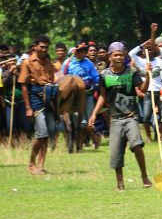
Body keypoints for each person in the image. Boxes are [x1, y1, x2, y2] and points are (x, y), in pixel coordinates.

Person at [89, 42, 151, 190]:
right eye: (115, 55)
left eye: (121, 55)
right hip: (115, 119)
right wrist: (94, 113)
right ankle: (120, 184)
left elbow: (142, 89)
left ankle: (144, 176)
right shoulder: (104, 75)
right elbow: (103, 97)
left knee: (136, 145)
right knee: (116, 153)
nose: (118, 57)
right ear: (110, 57)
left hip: (131, 116)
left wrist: (148, 75)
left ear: (125, 56)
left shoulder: (131, 72)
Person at [18, 34, 58, 174]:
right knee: (41, 133)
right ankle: (31, 164)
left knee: (48, 133)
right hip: (34, 98)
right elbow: (23, 86)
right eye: (41, 47)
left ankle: (40, 165)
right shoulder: (27, 62)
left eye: (46, 47)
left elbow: (52, 81)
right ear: (35, 46)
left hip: (48, 98)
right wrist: (28, 108)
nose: (44, 49)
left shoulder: (48, 62)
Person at [61, 42, 102, 148]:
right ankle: (78, 143)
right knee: (76, 121)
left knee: (87, 122)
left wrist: (95, 85)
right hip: (73, 96)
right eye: (81, 52)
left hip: (87, 94)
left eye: (85, 52)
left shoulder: (88, 63)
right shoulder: (68, 63)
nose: (83, 54)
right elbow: (62, 78)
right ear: (75, 52)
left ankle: (95, 138)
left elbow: (96, 77)